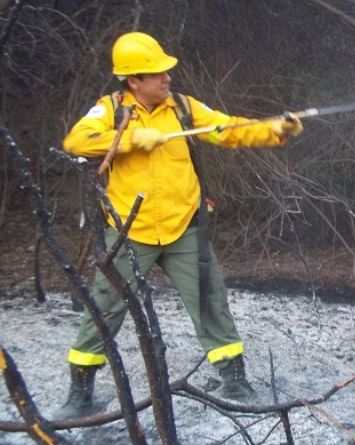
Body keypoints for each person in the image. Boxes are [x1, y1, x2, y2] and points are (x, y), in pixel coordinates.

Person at [54, 31, 303, 419]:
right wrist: (134, 138)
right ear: (133, 80)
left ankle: (234, 380)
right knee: (104, 310)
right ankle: (80, 393)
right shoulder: (110, 110)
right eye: (157, 73)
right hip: (127, 233)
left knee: (210, 303)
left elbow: (227, 129)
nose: (167, 77)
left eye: (166, 71)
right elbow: (76, 142)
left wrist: (275, 130)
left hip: (184, 227)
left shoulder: (183, 107)